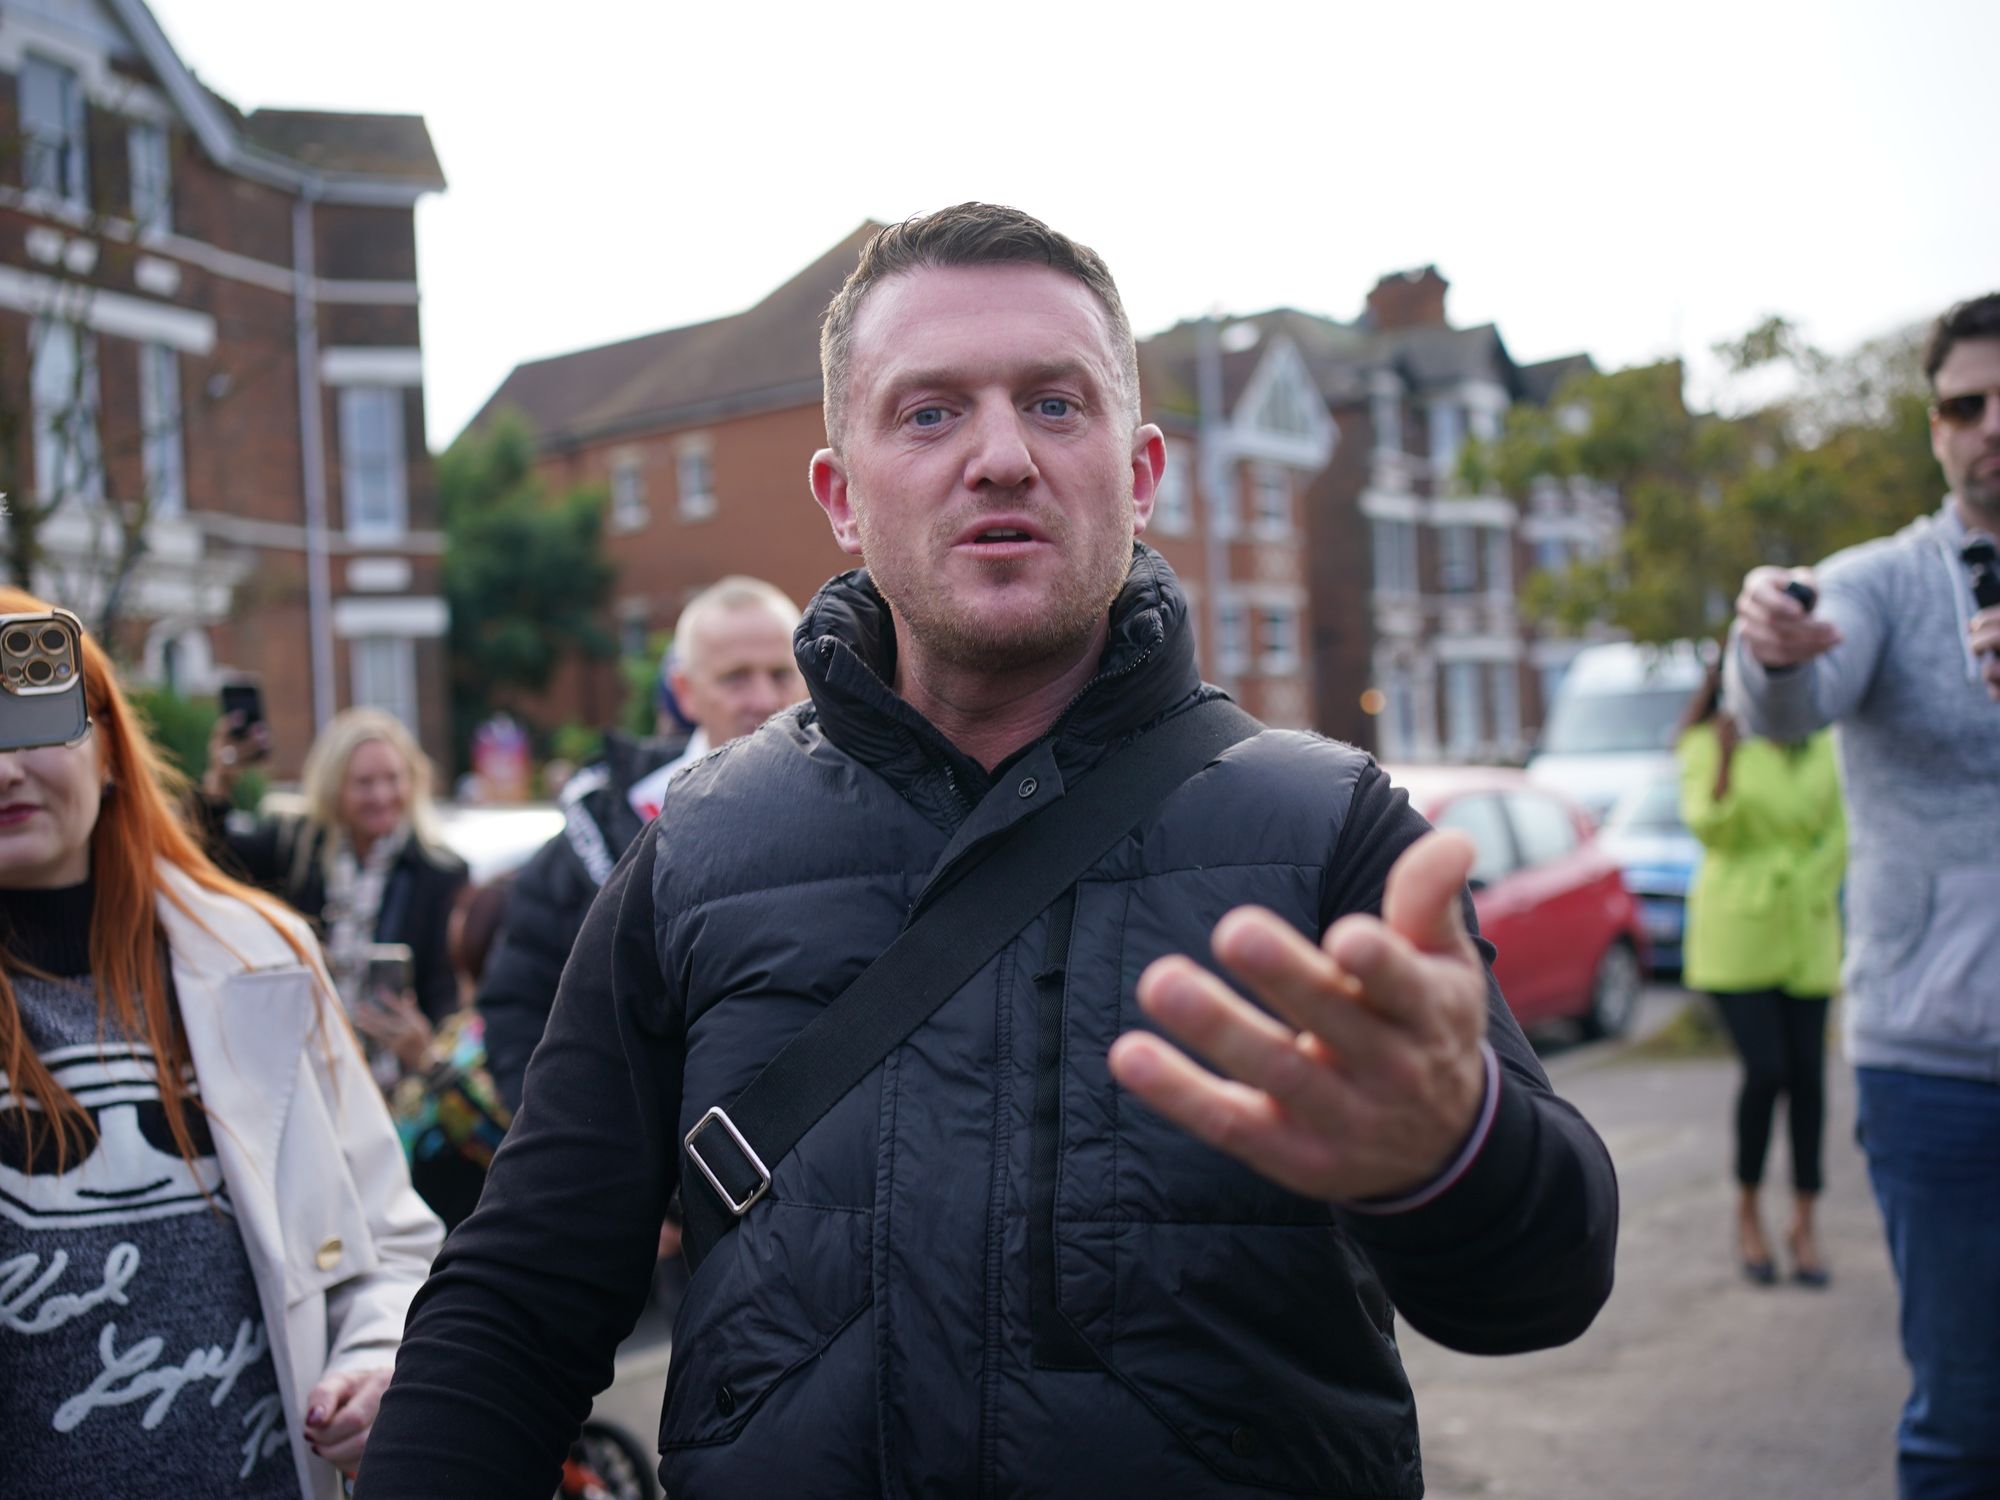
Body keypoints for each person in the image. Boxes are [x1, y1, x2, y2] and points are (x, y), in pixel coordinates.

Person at [357, 204, 1617, 1500]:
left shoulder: (1330, 832)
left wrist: (1452, 1149)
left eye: (1057, 405)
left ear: (1139, 475)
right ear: (841, 496)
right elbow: (518, 1303)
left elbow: (1544, 1287)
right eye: (931, 412)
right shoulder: (693, 858)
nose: (1002, 455)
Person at [0, 588, 441, 1498]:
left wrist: (374, 1355)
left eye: (34, 721)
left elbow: (389, 1241)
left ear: (113, 748)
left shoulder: (262, 960)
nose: (7, 768)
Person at [1726, 291, 2000, 1499]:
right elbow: (1787, 698)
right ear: (1933, 428)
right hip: (1937, 1062)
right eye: (1963, 404)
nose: (1988, 425)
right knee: (1963, 1416)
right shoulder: (1884, 582)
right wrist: (1767, 650)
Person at [476, 575, 803, 1112]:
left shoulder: (868, 806)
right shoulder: (601, 832)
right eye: (736, 678)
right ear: (683, 692)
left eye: (779, 674)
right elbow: (519, 1014)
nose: (763, 699)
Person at [1675, 665, 1844, 1286]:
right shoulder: (1702, 743)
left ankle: (1804, 1220)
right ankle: (1747, 1211)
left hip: (1807, 926)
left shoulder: (1823, 743)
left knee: (1809, 1077)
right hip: (1737, 931)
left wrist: (1808, 881)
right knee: (1766, 1069)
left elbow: (1839, 830)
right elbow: (1708, 826)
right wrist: (1723, 761)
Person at [198, 707, 468, 1086]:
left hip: (396, 1082)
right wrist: (220, 779)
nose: (382, 795)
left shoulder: (439, 871)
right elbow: (204, 858)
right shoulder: (293, 848)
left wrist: (427, 1048)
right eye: (364, 783)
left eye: (393, 779)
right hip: (302, 1070)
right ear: (333, 785)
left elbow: (447, 989)